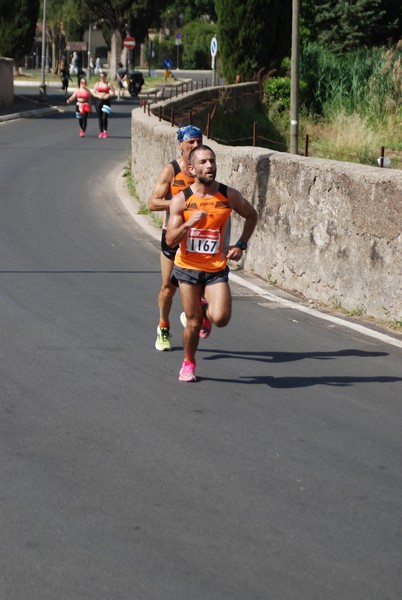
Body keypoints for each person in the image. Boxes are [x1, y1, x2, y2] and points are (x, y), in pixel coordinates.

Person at [166, 145, 258, 382]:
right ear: (191, 168)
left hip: (215, 268)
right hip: (187, 268)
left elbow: (251, 214)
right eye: (204, 162)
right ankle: (188, 363)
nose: (210, 166)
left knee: (221, 318)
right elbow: (169, 239)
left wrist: (241, 244)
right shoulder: (182, 200)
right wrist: (187, 225)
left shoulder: (228, 196)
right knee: (193, 323)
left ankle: (207, 311)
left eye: (212, 161)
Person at [148, 125, 203, 352]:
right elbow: (152, 202)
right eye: (191, 142)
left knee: (200, 282)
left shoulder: (203, 168)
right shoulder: (171, 170)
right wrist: (179, 203)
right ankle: (163, 326)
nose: (196, 145)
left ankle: (190, 313)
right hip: (172, 235)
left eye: (199, 141)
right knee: (168, 287)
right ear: (180, 144)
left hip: (196, 236)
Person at [92, 71, 115, 138]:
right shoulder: (97, 84)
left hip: (106, 101)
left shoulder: (108, 84)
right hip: (98, 101)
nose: (102, 78)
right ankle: (101, 131)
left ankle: (105, 131)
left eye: (103, 77)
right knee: (100, 117)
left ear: (105, 77)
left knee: (104, 117)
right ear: (99, 77)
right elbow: (93, 93)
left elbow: (113, 92)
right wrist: (98, 95)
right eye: (101, 77)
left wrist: (108, 95)